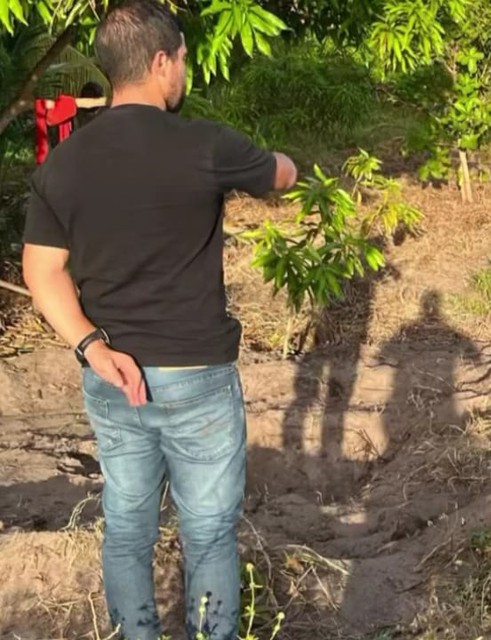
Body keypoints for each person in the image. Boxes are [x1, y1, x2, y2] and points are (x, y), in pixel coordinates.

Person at [20, 1, 297, 638]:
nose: (185, 74)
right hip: (197, 374)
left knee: (126, 531)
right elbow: (279, 175)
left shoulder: (62, 164)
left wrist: (92, 346)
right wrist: (286, 162)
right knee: (206, 535)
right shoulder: (204, 144)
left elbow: (43, 273)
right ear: (161, 62)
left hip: (115, 377)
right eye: (183, 62)